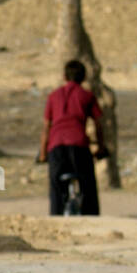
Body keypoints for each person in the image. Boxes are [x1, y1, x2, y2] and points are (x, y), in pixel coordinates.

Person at [37, 59, 106, 216]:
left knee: (55, 187)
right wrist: (101, 148)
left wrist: (42, 153)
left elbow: (46, 127)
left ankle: (55, 217)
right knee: (88, 184)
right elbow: (98, 125)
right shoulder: (87, 96)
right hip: (79, 145)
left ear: (64, 76)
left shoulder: (53, 96)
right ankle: (92, 217)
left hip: (56, 147)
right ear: (83, 77)